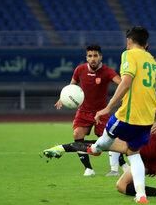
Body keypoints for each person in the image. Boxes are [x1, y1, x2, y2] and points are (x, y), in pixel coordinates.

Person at [44, 27, 156, 203]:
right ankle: (141, 195)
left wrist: (108, 107)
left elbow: (125, 82)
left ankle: (68, 149)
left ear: (129, 41)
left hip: (126, 115)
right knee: (134, 154)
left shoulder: (129, 55)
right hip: (147, 119)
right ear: (146, 44)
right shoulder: (152, 61)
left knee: (101, 144)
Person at [53, 44, 125, 176]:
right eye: (90, 56)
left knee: (108, 140)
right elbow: (72, 86)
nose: (93, 59)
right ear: (86, 58)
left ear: (100, 57)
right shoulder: (79, 70)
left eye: (95, 56)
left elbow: (121, 83)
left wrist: (124, 95)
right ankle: (89, 169)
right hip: (84, 112)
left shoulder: (107, 71)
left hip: (101, 113)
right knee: (77, 135)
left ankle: (121, 165)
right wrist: (63, 98)